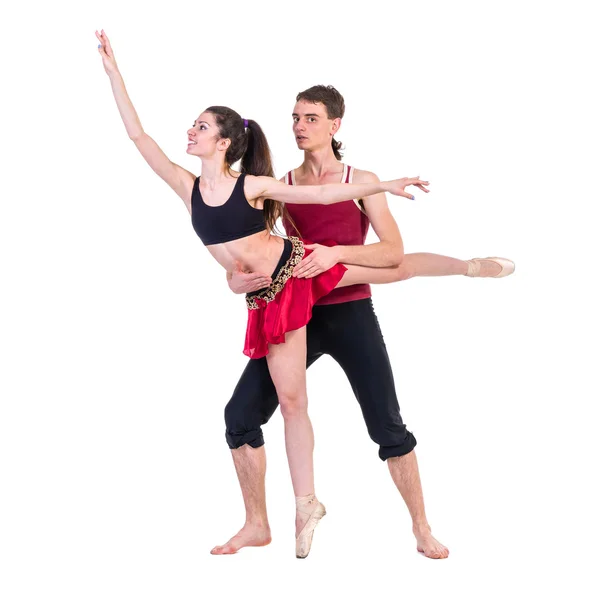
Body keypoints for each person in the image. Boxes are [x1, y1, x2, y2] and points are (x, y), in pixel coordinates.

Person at [96, 31, 431, 558]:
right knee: (282, 401)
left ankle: (467, 266)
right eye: (193, 125)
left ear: (224, 141)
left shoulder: (250, 185)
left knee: (397, 265)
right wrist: (115, 74)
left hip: (299, 274)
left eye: (200, 126)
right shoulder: (189, 188)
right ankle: (285, 513)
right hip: (271, 298)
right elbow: (140, 139)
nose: (191, 131)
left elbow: (321, 192)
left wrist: (381, 185)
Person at [216, 84, 515, 559]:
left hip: (351, 311)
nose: (299, 126)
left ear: (335, 125)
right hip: (297, 317)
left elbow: (392, 252)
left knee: (388, 427)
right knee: (239, 417)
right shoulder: (281, 186)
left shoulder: (361, 179)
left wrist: (335, 252)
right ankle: (257, 522)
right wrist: (236, 282)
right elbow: (255, 254)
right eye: (295, 117)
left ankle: (422, 528)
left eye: (311, 118)